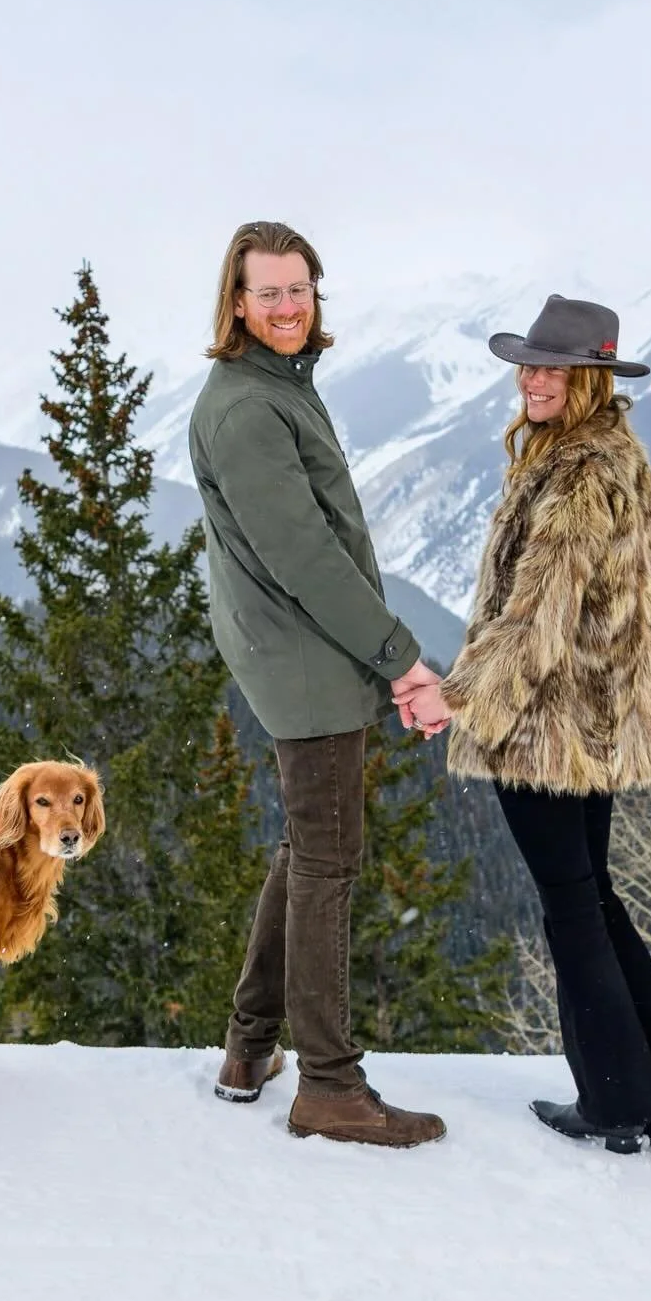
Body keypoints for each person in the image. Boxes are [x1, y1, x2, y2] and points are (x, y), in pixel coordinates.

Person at [394, 294, 651, 1154]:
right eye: (529, 365)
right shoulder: (611, 456)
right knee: (594, 900)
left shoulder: (574, 473)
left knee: (572, 909)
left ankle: (615, 1104)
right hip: (597, 717)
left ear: (591, 378)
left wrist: (455, 696)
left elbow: (538, 619)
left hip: (546, 723)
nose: (534, 379)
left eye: (554, 368)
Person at [188, 220, 447, 1148]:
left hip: (303, 650)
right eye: (269, 293)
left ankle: (249, 1046)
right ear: (237, 302)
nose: (288, 308)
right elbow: (306, 556)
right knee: (329, 862)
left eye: (299, 290)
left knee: (306, 849)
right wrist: (401, 658)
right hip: (305, 657)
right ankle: (330, 1087)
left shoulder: (272, 388)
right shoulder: (250, 409)